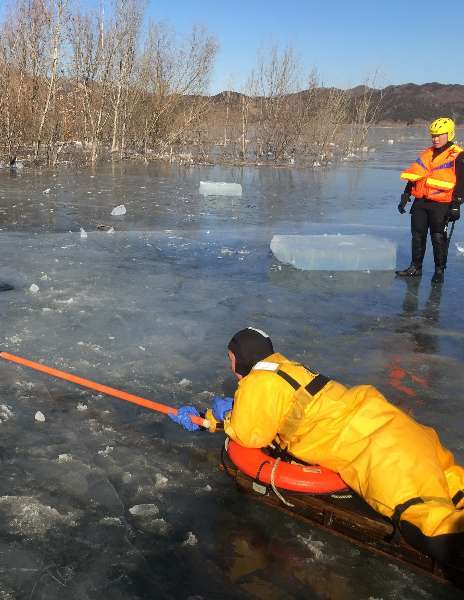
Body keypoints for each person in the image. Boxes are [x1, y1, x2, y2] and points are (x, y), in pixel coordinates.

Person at [171, 327, 464, 570]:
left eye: (231, 358)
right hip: (393, 423)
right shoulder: (287, 368)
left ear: (241, 359)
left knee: (424, 516)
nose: (230, 365)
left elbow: (250, 434)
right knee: (452, 483)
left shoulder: (256, 384)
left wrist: (221, 418)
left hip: (373, 446)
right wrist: (207, 418)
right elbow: (275, 409)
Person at [396, 117, 463, 284]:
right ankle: (415, 267)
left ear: (449, 134)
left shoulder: (458, 155)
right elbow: (415, 175)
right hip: (421, 202)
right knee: (417, 235)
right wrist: (406, 196)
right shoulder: (427, 153)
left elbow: (462, 182)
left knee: (438, 238)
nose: (435, 138)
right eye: (433, 135)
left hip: (441, 204)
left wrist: (456, 205)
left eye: (439, 135)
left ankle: (439, 271)